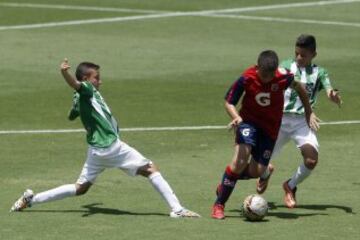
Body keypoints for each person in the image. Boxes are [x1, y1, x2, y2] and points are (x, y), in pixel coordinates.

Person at [10, 59, 200, 218]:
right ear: (86, 80)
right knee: (151, 169)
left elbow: (71, 115)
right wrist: (64, 74)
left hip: (96, 150)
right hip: (111, 147)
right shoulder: (86, 90)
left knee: (81, 188)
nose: (100, 82)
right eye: (97, 78)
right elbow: (75, 85)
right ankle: (177, 209)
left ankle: (30, 200)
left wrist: (77, 105)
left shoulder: (82, 97)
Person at [211, 50, 318, 220]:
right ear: (257, 66)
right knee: (240, 160)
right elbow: (229, 102)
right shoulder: (247, 77)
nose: (267, 78)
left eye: (270, 75)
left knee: (257, 170)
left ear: (275, 70)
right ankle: (219, 204)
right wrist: (237, 118)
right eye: (264, 74)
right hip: (248, 123)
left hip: (270, 129)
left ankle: (227, 182)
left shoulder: (283, 77)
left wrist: (308, 111)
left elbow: (300, 88)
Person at [256, 34, 342, 208]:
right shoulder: (285, 67)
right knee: (259, 163)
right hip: (279, 121)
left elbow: (328, 88)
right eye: (296, 53)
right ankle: (265, 174)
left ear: (313, 55)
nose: (299, 57)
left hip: (302, 122)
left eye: (303, 55)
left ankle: (290, 186)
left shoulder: (320, 72)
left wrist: (332, 95)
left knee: (311, 160)